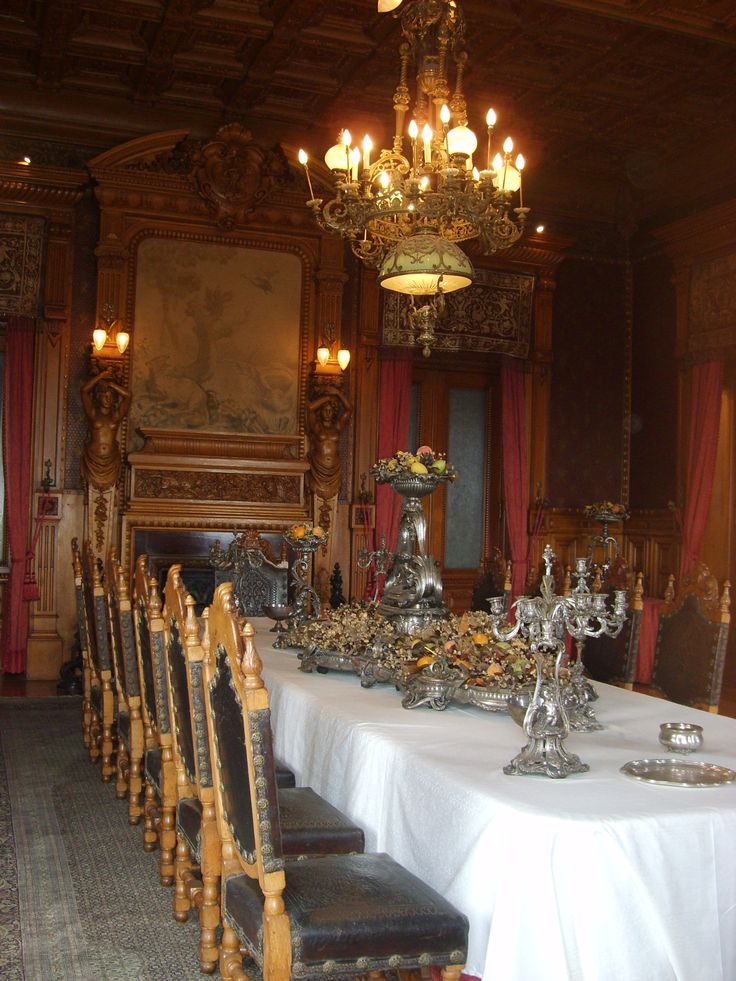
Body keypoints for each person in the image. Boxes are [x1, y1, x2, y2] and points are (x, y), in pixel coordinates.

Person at [80, 367, 131, 490]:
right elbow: (84, 391)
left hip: (111, 460)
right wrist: (101, 376)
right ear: (98, 397)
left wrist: (112, 385)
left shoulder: (116, 415)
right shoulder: (93, 413)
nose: (108, 399)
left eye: (111, 397)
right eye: (105, 396)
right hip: (93, 459)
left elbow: (128, 396)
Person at [306, 387, 351, 501]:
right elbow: (310, 408)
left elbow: (349, 409)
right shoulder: (317, 427)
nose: (327, 413)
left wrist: (338, 393)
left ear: (334, 412)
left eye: (330, 410)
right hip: (318, 470)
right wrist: (327, 397)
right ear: (321, 411)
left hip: (334, 471)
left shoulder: (337, 427)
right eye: (325, 410)